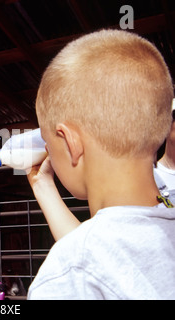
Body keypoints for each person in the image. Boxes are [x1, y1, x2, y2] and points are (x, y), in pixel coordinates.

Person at [27, 29, 175, 299]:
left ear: (71, 142)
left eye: (50, 143)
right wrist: (42, 185)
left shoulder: (68, 275)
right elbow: (108, 250)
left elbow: (85, 261)